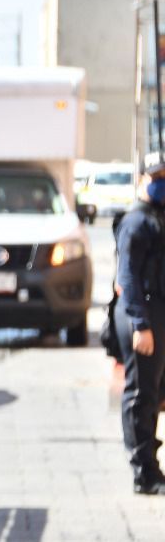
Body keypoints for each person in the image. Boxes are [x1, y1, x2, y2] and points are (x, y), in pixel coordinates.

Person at [114, 161, 165, 495]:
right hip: (142, 313)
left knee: (155, 394)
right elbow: (128, 277)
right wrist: (140, 324)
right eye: (157, 177)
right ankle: (144, 473)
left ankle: (151, 465)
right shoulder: (136, 221)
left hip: (156, 311)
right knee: (141, 395)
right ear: (142, 180)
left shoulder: (158, 218)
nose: (161, 183)